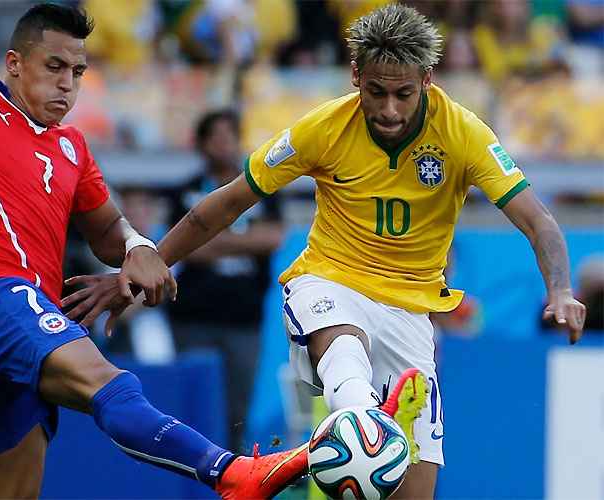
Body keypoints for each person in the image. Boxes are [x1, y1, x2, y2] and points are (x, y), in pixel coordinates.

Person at [70, 4, 587, 498]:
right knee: (344, 353)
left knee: (412, 490)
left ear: (428, 80)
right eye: (377, 92)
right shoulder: (320, 129)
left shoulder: (464, 134)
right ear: (356, 76)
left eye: (404, 94)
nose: (389, 109)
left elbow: (538, 220)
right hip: (329, 281)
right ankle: (365, 415)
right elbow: (222, 206)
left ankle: (367, 421)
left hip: (410, 310)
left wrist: (561, 289)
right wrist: (150, 262)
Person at [0, 4, 307, 499]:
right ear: (14, 63)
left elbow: (108, 226)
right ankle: (231, 472)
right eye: (54, 66)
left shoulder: (72, 146)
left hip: (25, 323)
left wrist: (137, 246)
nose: (67, 83)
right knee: (110, 383)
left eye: (77, 71)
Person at [165, 109, 283, 451]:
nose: (224, 144)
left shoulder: (260, 188)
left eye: (229, 136)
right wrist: (241, 241)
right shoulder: (183, 192)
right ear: (201, 144)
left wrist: (207, 235)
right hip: (193, 317)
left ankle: (232, 478)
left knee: (237, 408)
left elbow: (273, 237)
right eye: (215, 137)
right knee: (193, 405)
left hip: (244, 320)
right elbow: (181, 250)